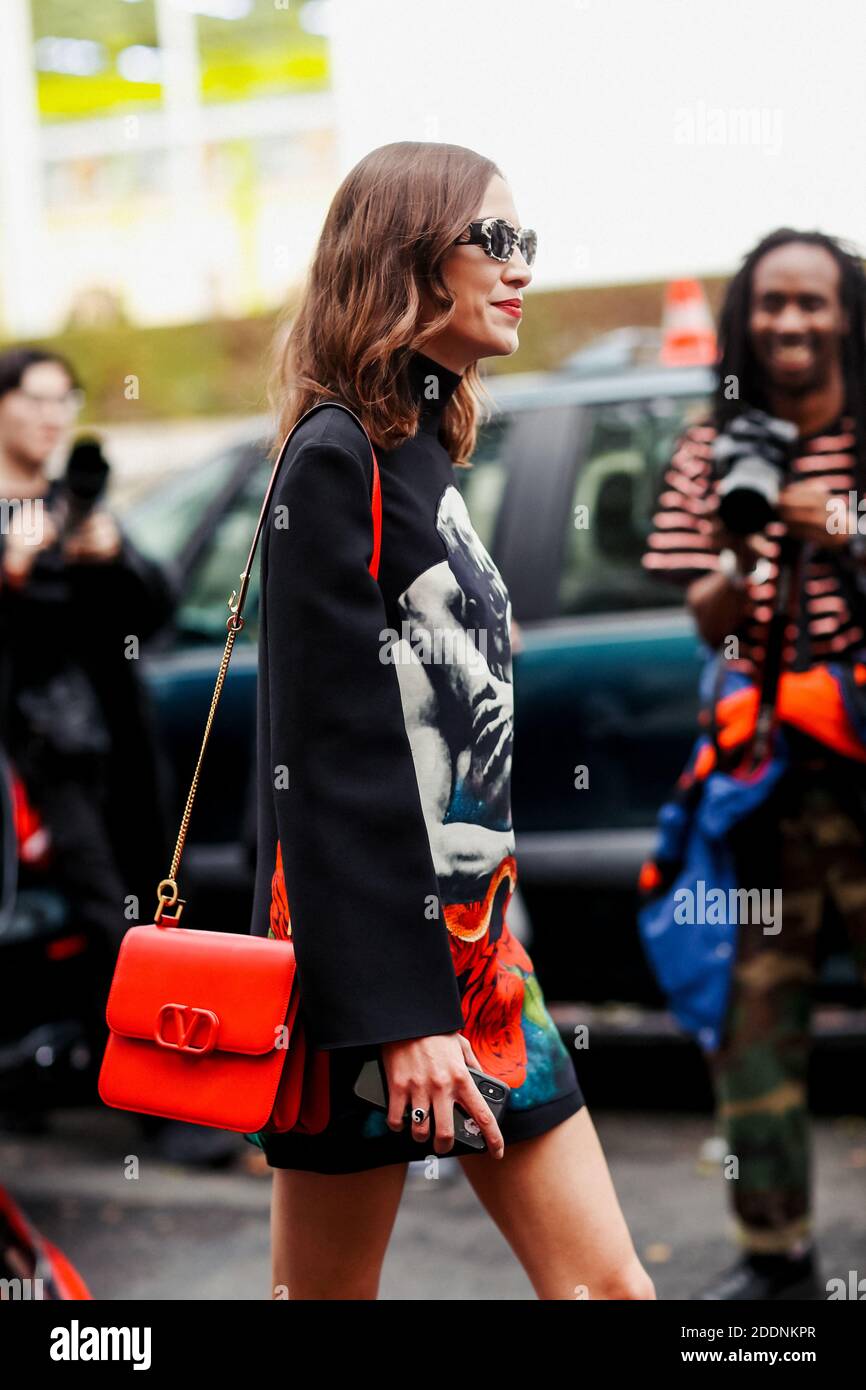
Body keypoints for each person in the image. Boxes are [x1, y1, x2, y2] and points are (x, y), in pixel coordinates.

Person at [243, 141, 655, 1302]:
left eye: (528, 242)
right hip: (371, 982)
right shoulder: (334, 457)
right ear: (409, 257)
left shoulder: (418, 445)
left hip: (478, 959)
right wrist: (399, 1015)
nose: (523, 269)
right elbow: (328, 761)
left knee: (606, 1287)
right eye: (499, 241)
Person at [642, 228, 866, 1300]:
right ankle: (774, 1260)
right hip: (764, 786)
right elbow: (702, 619)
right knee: (749, 1023)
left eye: (811, 303)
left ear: (843, 312)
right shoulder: (708, 450)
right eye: (770, 304)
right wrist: (740, 549)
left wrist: (841, 524)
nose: (789, 323)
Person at [0, 347, 178, 1050]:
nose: (52, 416)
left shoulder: (73, 510)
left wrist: (116, 560)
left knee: (157, 906)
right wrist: (11, 571)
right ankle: (158, 1098)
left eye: (64, 400)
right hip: (39, 762)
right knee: (111, 917)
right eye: (36, 399)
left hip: (119, 749)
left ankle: (152, 1081)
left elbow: (156, 611)